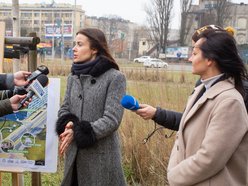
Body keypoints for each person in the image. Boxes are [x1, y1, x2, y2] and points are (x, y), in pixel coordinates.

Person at [135, 27, 248, 185]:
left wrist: (174, 177)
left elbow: (210, 159)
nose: (189, 59)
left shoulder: (230, 102)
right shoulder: (200, 90)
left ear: (210, 59)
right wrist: (173, 169)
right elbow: (181, 137)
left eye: (194, 54)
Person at [56, 28, 126, 186]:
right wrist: (68, 125)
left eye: (79, 44)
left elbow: (112, 119)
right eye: (74, 44)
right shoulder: (73, 76)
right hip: (74, 156)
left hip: (100, 158)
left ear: (94, 49)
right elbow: (64, 108)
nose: (74, 48)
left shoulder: (115, 78)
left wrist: (78, 132)